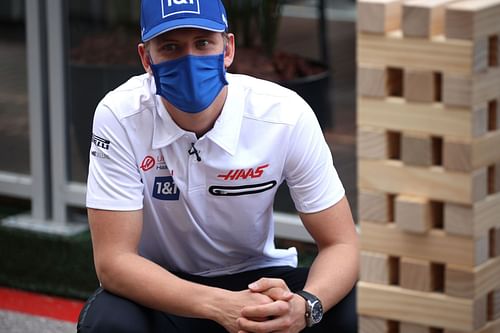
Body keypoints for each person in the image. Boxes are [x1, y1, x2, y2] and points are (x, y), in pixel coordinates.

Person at [77, 0, 359, 332]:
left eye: (203, 43)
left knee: (361, 305)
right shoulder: (120, 115)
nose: (190, 60)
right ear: (146, 58)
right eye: (170, 47)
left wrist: (305, 306)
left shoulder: (285, 114)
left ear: (228, 49)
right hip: (167, 289)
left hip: (258, 280)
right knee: (109, 323)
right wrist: (219, 305)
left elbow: (342, 244)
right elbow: (114, 262)